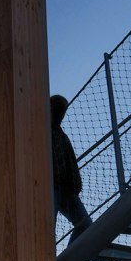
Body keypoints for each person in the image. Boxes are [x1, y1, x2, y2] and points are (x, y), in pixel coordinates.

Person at [51, 94, 93, 242]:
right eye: (59, 109)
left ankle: (67, 259)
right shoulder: (43, 131)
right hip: (51, 187)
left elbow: (70, 163)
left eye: (63, 110)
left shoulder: (61, 135)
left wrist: (76, 185)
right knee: (48, 229)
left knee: (86, 224)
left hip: (67, 189)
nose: (62, 114)